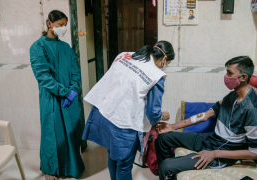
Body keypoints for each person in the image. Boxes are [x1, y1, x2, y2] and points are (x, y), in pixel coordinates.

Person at [155, 56, 257, 180]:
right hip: (211, 139)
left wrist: (215, 154)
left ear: (243, 77)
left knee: (165, 166)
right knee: (163, 138)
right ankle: (170, 176)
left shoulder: (252, 109)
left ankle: (168, 171)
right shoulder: (233, 95)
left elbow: (254, 153)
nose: (226, 77)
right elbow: (206, 115)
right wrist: (172, 126)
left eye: (230, 73)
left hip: (223, 150)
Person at [82, 41, 175, 180]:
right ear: (164, 59)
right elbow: (153, 113)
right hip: (123, 124)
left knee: (113, 156)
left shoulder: (125, 55)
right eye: (167, 63)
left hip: (103, 113)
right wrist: (163, 115)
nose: (164, 66)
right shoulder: (157, 75)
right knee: (124, 164)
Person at [30, 10, 85, 180]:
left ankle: (71, 167)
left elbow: (75, 72)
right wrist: (65, 92)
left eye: (65, 25)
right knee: (52, 133)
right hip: (51, 99)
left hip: (70, 99)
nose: (63, 28)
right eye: (60, 25)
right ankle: (49, 169)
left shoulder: (66, 48)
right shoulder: (38, 47)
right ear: (49, 24)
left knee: (71, 133)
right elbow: (43, 76)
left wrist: (74, 90)